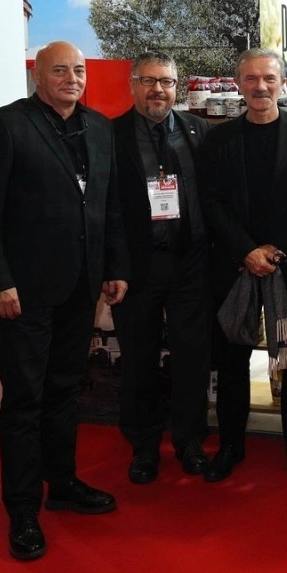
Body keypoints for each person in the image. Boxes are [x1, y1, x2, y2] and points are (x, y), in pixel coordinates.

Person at [0, 41, 129, 561]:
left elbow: (109, 206)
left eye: (79, 70)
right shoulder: (4, 126)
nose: (72, 78)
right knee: (24, 402)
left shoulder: (101, 128)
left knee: (66, 391)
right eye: (60, 70)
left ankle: (62, 484)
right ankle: (23, 510)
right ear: (38, 76)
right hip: (22, 294)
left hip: (81, 288)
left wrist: (114, 267)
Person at [198, 48, 287, 482]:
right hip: (235, 267)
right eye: (251, 79)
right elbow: (211, 202)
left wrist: (275, 251)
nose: (260, 87)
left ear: (281, 83)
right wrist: (246, 251)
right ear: (238, 84)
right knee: (232, 359)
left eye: (268, 78)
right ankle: (231, 445)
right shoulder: (218, 140)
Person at [111, 52, 212, 484]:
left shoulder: (198, 130)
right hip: (138, 267)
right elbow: (106, 209)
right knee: (139, 359)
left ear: (177, 87)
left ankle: (190, 441)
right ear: (133, 85)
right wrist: (112, 266)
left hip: (192, 262)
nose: (158, 90)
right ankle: (144, 447)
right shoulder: (111, 135)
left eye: (166, 82)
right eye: (149, 81)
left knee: (193, 357)